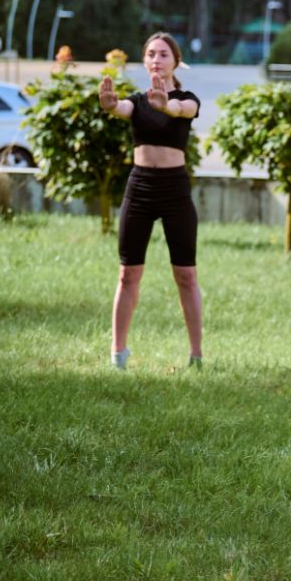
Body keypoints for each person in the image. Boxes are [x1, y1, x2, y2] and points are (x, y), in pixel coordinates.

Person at [98, 32, 203, 370]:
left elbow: (183, 109)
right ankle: (118, 353)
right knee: (128, 273)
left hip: (175, 190)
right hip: (140, 186)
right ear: (144, 61)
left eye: (163, 54)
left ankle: (196, 354)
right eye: (151, 54)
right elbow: (123, 108)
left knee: (185, 274)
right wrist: (111, 106)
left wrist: (167, 105)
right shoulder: (137, 100)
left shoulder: (187, 98)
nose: (157, 59)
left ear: (175, 60)